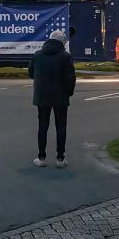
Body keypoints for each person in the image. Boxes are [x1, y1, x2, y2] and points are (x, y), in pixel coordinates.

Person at [29, 29, 75, 168]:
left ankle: (41, 157)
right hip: (60, 96)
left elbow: (31, 73)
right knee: (61, 126)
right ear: (62, 42)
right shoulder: (65, 56)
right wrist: (68, 93)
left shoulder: (38, 54)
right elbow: (70, 78)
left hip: (42, 95)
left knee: (42, 126)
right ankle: (60, 158)